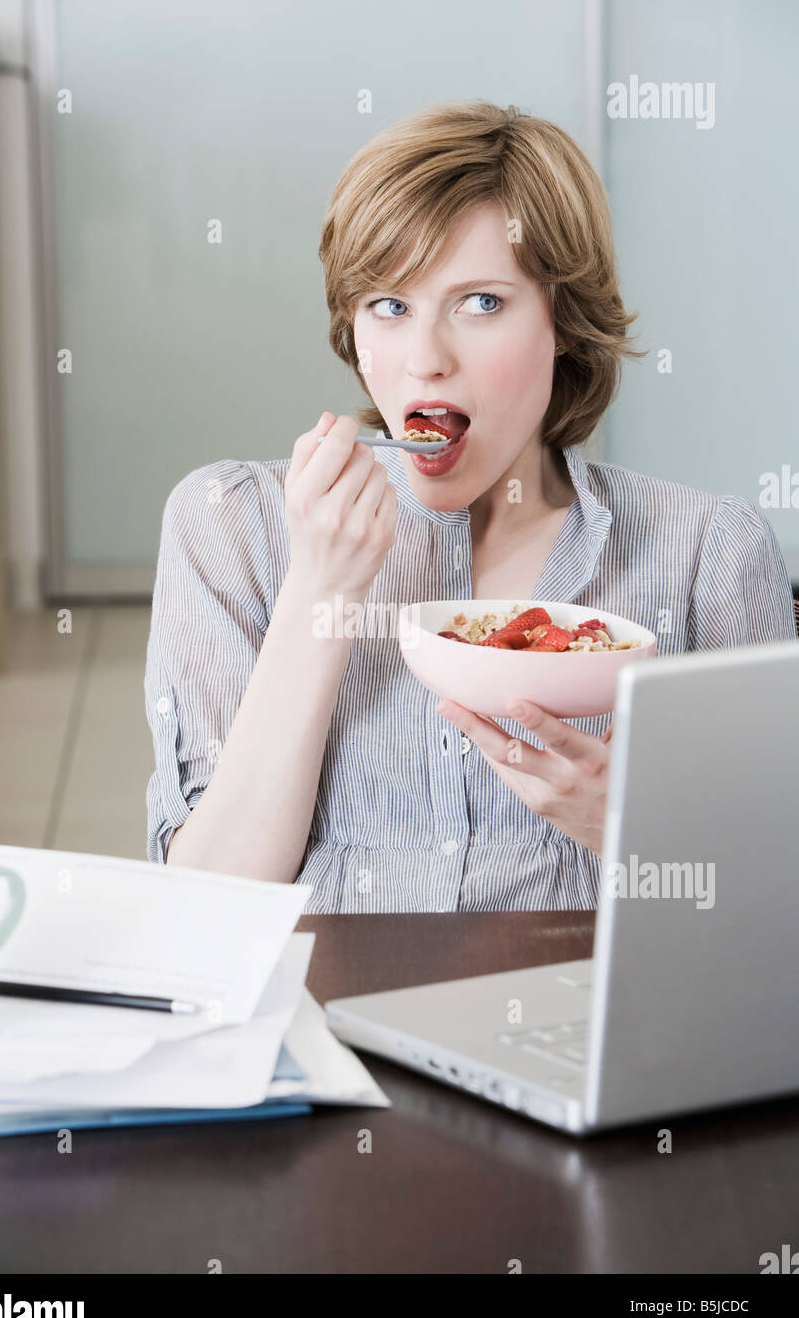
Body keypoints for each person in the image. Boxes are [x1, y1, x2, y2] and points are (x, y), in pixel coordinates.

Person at [144, 100, 794, 912]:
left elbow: (773, 914)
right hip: (315, 1027)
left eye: (481, 302)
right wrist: (321, 592)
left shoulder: (707, 555)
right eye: (390, 305)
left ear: (563, 320)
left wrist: (637, 830)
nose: (426, 361)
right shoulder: (230, 526)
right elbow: (205, 905)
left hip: (576, 1031)